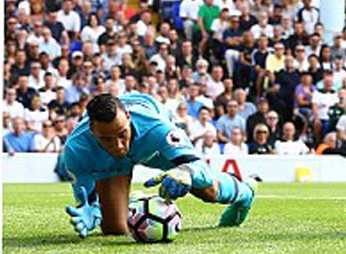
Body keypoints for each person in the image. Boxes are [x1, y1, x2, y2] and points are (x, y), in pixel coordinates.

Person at [59, 93, 257, 238]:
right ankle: (133, 200)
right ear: (92, 131)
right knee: (114, 229)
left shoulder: (158, 128)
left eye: (122, 134)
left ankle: (245, 192)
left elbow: (198, 166)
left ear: (128, 118)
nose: (118, 145)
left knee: (207, 191)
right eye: (107, 139)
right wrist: (91, 213)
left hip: (153, 149)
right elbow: (88, 202)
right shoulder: (76, 149)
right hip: (113, 164)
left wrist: (185, 172)